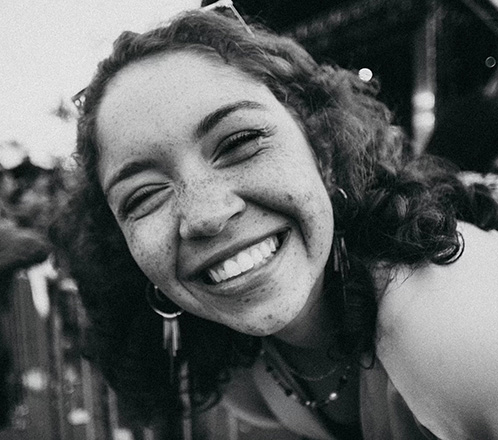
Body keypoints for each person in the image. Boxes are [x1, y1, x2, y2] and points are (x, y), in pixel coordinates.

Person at [51, 4, 498, 440]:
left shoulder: (458, 334)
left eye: (240, 141)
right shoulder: (230, 349)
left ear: (322, 149)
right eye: (144, 196)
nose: (207, 214)